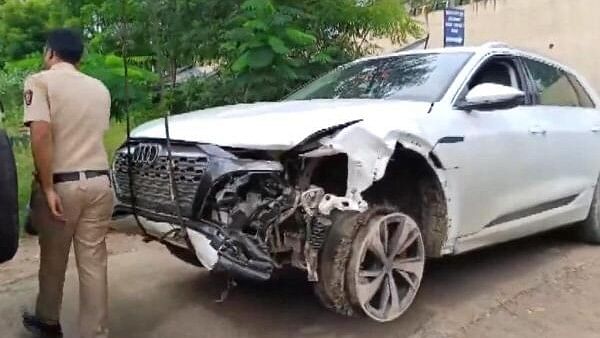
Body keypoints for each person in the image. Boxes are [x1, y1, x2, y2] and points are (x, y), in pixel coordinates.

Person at [22, 28, 113, 338]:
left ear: (50, 53)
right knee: (94, 263)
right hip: (101, 183)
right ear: (80, 57)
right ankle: (95, 332)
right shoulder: (100, 87)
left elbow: (41, 134)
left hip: (63, 186)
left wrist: (47, 188)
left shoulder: (40, 81)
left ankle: (48, 322)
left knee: (53, 261)